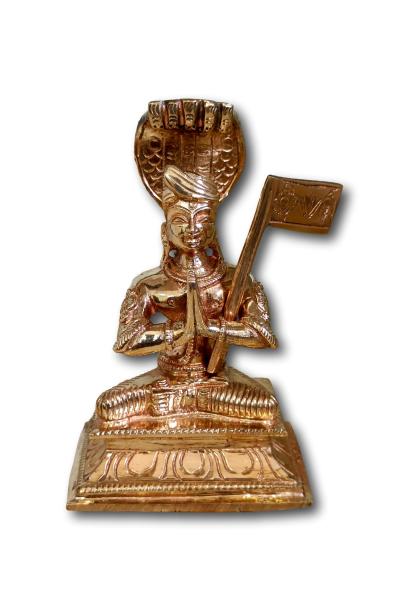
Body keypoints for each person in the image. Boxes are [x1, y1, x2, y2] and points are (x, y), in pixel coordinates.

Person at [95, 166, 279, 430]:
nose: (192, 229)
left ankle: (191, 399)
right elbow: (126, 341)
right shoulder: (150, 285)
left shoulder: (234, 280)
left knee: (265, 405)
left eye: (202, 219)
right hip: (166, 378)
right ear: (165, 230)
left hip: (215, 380)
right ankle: (186, 399)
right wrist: (179, 331)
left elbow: (262, 334)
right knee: (109, 406)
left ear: (214, 228)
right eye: (180, 220)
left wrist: (213, 329)